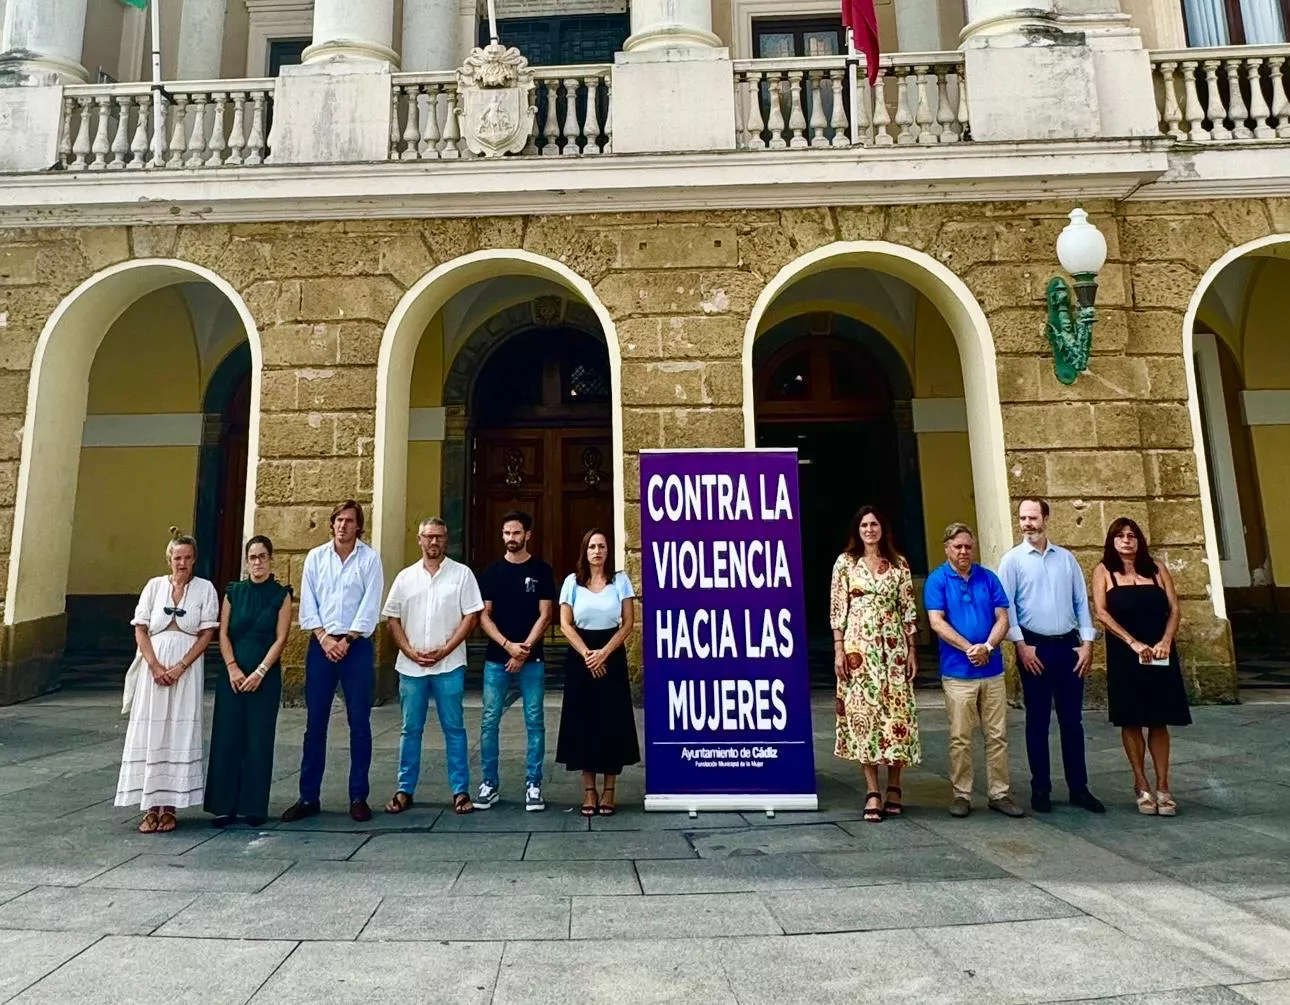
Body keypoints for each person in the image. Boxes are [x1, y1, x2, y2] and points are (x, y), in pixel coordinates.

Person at [998, 497, 1105, 815]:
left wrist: (1087, 643)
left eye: (1033, 517)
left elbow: (1080, 603)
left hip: (1069, 648)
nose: (1027, 523)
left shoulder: (1067, 559)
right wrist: (1020, 644)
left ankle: (1079, 788)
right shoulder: (1012, 560)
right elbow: (1007, 607)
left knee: (1073, 722)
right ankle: (1040, 789)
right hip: (1034, 648)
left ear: (1046, 518)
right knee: (1037, 722)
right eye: (1022, 518)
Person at [283, 499, 384, 824]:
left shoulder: (369, 560)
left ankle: (358, 796)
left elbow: (370, 605)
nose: (343, 525)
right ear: (332, 524)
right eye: (338, 520)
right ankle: (308, 796)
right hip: (321, 646)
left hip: (356, 646)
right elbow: (307, 602)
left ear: (359, 526)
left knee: (359, 723)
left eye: (349, 520)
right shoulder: (315, 558)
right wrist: (325, 638)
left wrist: (348, 639)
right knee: (315, 725)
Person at [116, 529, 219, 833]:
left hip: (186, 671)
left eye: (187, 558)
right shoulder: (153, 587)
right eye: (177, 558)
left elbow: (207, 633)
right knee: (152, 729)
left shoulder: (205, 589)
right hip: (154, 670)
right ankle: (149, 806)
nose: (182, 563)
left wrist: (181, 666)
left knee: (178, 729)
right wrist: (155, 665)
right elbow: (141, 628)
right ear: (169, 559)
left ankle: (170, 806)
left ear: (194, 560)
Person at [382, 517, 484, 817]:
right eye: (428, 537)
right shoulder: (405, 578)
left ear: (446, 539)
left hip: (449, 665)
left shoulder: (462, 575)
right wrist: (409, 650)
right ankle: (404, 789)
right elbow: (393, 619)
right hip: (411, 667)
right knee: (410, 729)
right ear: (419, 539)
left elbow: (471, 617)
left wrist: (446, 649)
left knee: (454, 728)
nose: (433, 542)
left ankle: (460, 791)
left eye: (439, 537)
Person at [1092, 517, 1191, 816]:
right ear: (1112, 541)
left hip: (1159, 651)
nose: (1126, 540)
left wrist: (1165, 640)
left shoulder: (1157, 569)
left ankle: (1163, 785)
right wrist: (1132, 642)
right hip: (1126, 654)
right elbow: (1101, 613)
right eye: (1120, 536)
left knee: (1159, 720)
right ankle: (1141, 782)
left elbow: (1174, 608)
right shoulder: (1104, 571)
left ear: (1139, 540)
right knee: (1131, 719)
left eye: (1132, 535)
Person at [924, 523, 1023, 819]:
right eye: (958, 547)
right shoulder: (937, 580)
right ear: (947, 548)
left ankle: (1000, 793)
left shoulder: (988, 577)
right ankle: (962, 794)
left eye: (968, 546)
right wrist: (970, 647)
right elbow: (937, 622)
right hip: (958, 673)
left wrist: (988, 647)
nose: (964, 551)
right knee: (960, 737)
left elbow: (1003, 617)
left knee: (997, 735)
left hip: (991, 671)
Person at [830, 505, 920, 824]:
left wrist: (911, 650)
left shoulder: (898, 564)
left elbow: (908, 609)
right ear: (857, 530)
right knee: (863, 714)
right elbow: (838, 608)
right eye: (865, 525)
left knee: (896, 714)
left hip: (893, 648)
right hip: (859, 649)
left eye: (875, 524)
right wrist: (839, 649)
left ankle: (895, 785)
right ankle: (872, 789)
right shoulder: (846, 563)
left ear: (883, 528)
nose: (870, 529)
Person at [204, 535, 293, 828]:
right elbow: (224, 632)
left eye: (262, 557)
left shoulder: (282, 595)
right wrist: (232, 667)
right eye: (252, 557)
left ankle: (254, 806)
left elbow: (281, 638)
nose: (257, 562)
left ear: (271, 559)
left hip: (263, 678)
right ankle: (223, 806)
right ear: (246, 561)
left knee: (258, 739)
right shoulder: (233, 592)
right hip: (232, 675)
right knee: (227, 737)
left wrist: (260, 672)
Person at [476, 510, 557, 812]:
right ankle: (489, 784)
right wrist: (509, 646)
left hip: (532, 660)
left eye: (516, 533)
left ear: (528, 535)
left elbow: (546, 614)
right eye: (507, 533)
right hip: (497, 659)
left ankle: (533, 785)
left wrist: (524, 649)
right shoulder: (492, 573)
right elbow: (483, 616)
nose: (511, 538)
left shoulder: (541, 570)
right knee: (489, 722)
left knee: (534, 723)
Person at [556, 528, 640, 816]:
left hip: (611, 656)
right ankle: (588, 791)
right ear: (585, 550)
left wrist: (604, 653)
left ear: (607, 550)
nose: (597, 551)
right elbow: (565, 624)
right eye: (592, 546)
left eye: (602, 546)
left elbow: (628, 622)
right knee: (584, 722)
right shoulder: (572, 582)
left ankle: (609, 790)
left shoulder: (620, 582)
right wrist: (588, 655)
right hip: (582, 655)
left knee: (610, 721)